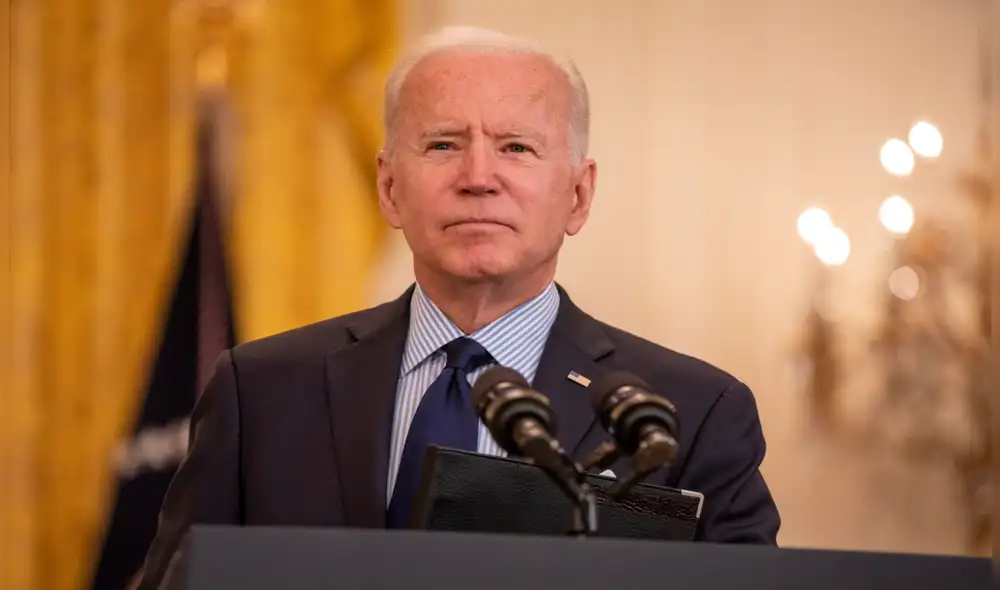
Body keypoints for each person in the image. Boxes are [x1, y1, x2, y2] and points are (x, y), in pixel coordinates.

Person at [134, 25, 780, 589]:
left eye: (516, 147)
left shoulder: (691, 413)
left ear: (578, 196)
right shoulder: (263, 390)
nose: (477, 176)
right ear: (389, 188)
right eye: (443, 144)